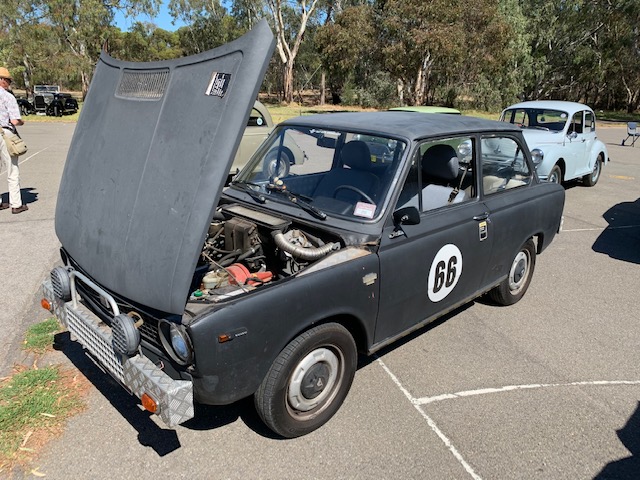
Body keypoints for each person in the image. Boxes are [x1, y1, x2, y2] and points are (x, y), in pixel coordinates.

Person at [0, 66, 27, 214]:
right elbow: (15, 121)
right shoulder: (7, 96)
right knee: (12, 169)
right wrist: (22, 122)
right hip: (4, 133)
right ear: (2, 80)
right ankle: (16, 204)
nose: (8, 83)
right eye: (8, 80)